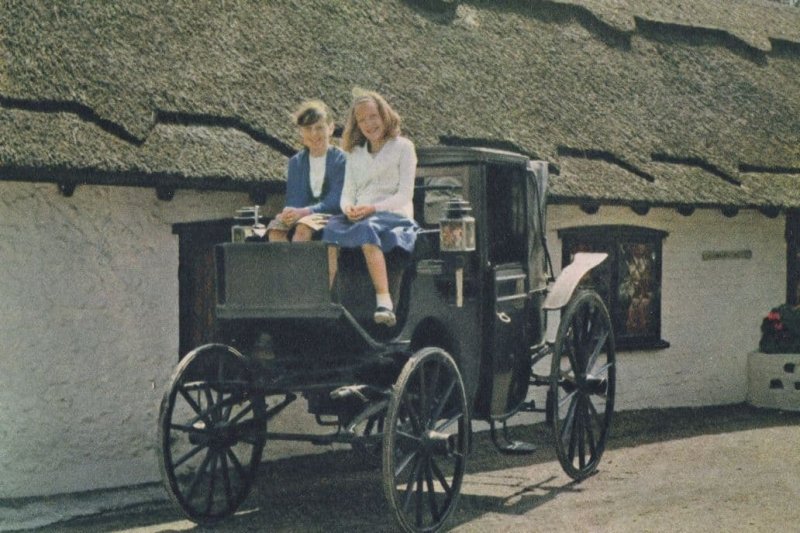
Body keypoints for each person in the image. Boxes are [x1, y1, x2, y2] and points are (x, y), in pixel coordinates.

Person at [323, 89, 418, 327]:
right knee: (331, 228)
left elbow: (405, 195)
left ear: (384, 115)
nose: (368, 124)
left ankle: (384, 301)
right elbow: (348, 193)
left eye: (372, 116)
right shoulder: (354, 154)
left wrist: (372, 208)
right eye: (362, 120)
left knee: (367, 229)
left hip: (393, 214)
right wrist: (348, 210)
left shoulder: (404, 147)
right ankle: (330, 296)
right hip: (361, 214)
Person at [267, 100, 346, 242]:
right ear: (301, 132)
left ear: (331, 128)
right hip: (305, 215)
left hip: (335, 216)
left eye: (319, 127)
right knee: (275, 229)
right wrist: (289, 212)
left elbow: (336, 201)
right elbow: (294, 199)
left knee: (303, 228)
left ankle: (301, 264)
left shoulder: (341, 160)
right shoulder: (296, 162)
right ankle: (287, 264)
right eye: (308, 128)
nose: (314, 134)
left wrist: (305, 212)